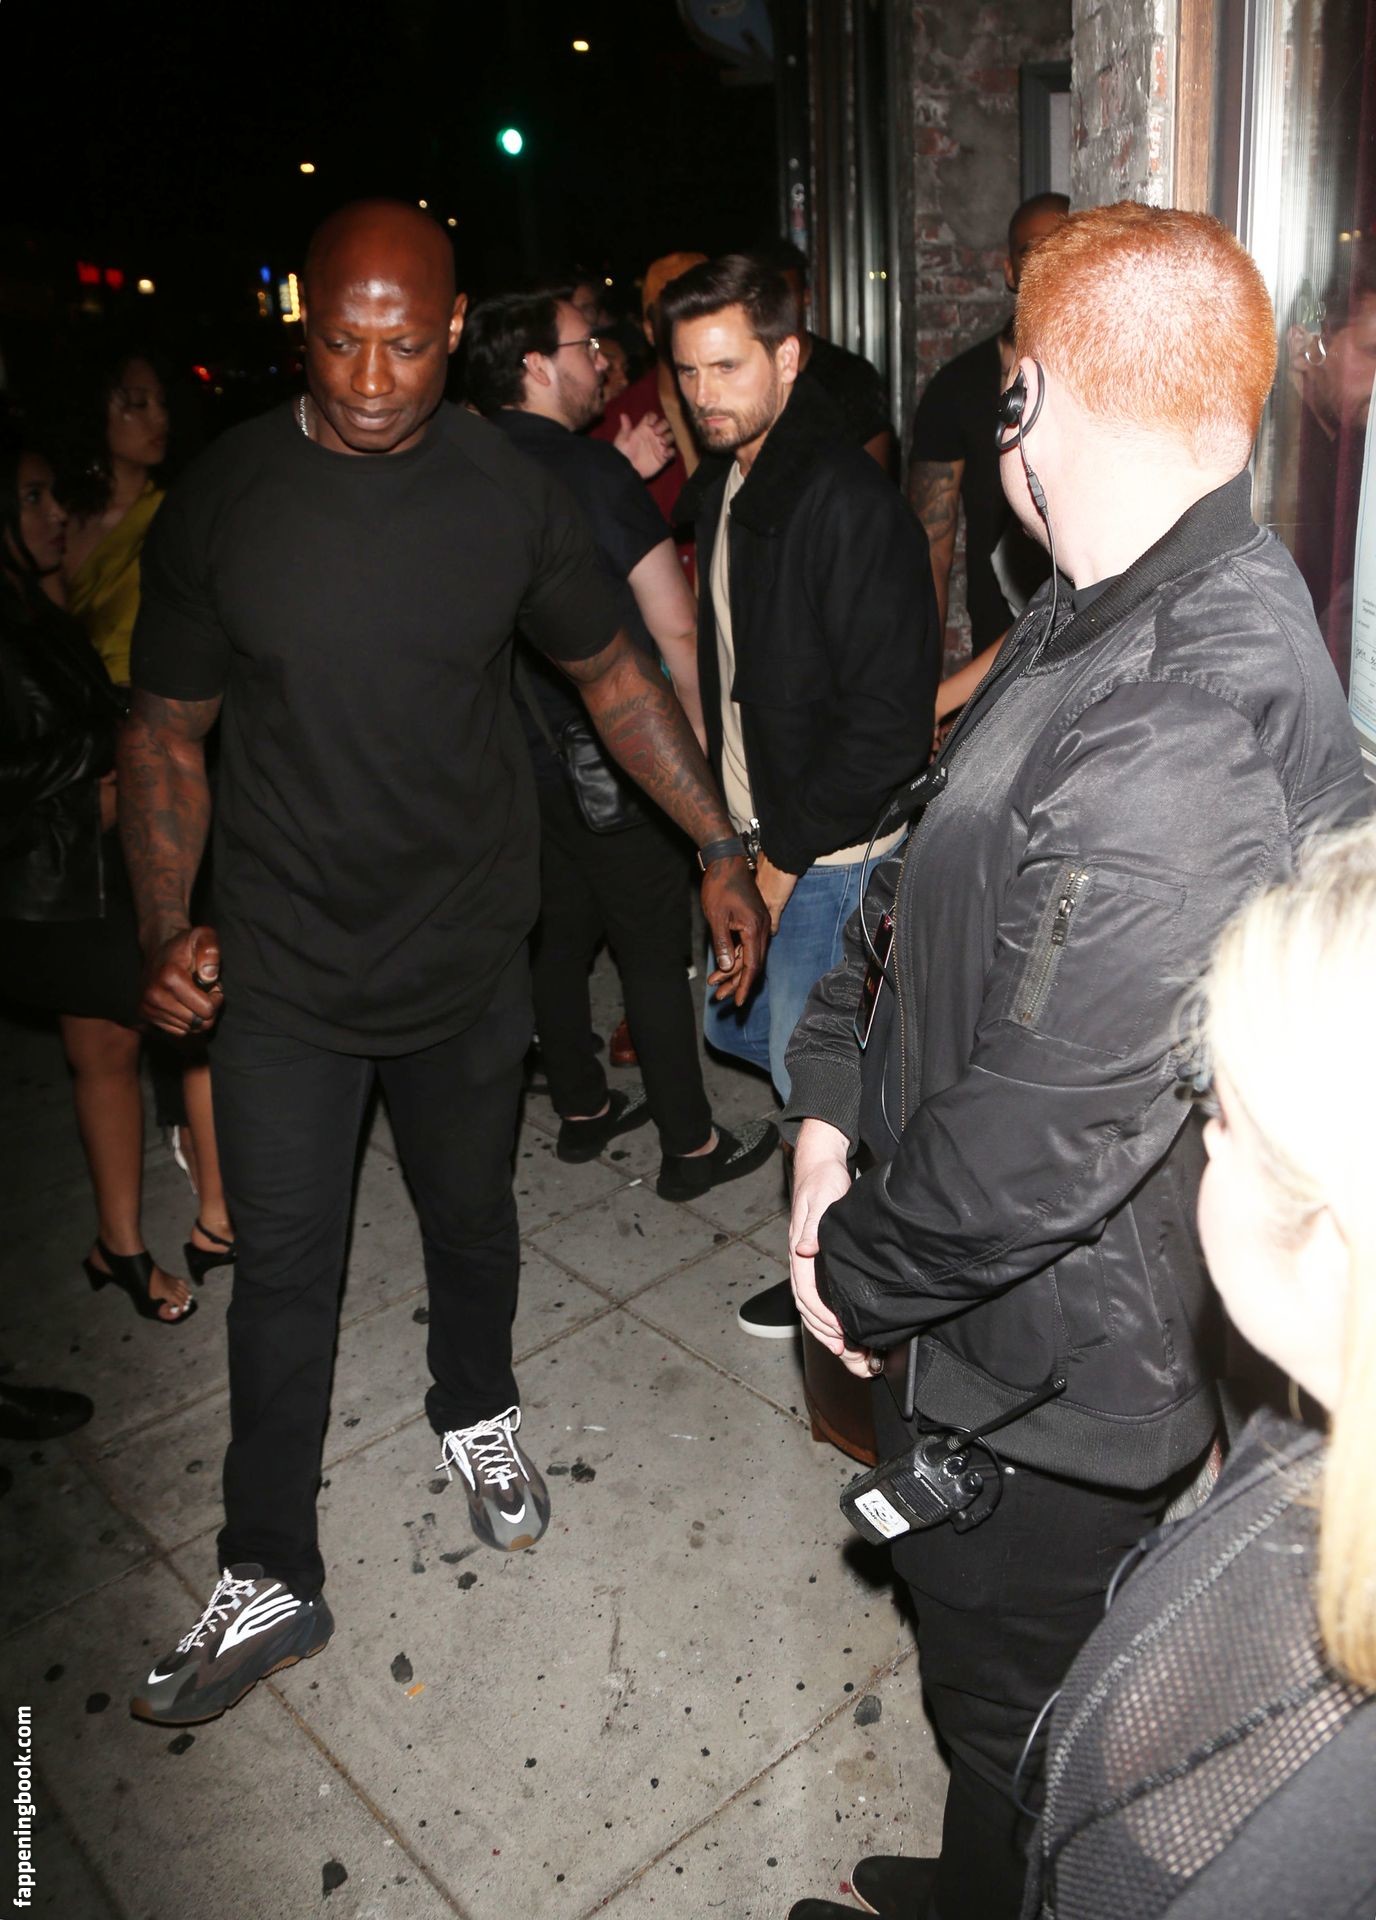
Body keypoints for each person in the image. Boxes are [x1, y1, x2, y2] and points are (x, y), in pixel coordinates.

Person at [781, 204, 1369, 1920]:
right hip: (992, 1318)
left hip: (1045, 1379)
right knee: (991, 1724)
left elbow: (1040, 1143)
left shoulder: (1181, 711)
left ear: (1024, 398)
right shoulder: (1112, 594)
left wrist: (851, 1271)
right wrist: (827, 1105)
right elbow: (925, 873)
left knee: (1017, 1722)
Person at [117, 200, 768, 1728]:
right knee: (283, 1271)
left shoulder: (504, 489)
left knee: (471, 1223)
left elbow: (614, 676)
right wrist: (159, 925)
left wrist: (718, 846)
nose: (369, 378)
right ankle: (268, 1569)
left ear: (453, 327)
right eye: (341, 342)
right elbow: (166, 733)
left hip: (469, 952)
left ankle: (476, 1410)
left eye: (406, 346)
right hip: (283, 964)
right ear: (305, 324)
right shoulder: (226, 501)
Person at [1022, 820, 1376, 1918]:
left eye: (1226, 1115)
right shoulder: (1314, 1421)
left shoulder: (1311, 1839)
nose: (1203, 1137)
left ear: (1337, 1235)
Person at [664, 254, 940, 1336]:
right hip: (764, 836)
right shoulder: (729, 486)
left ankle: (838, 1281)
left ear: (787, 357)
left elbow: (884, 728)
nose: (703, 394)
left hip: (831, 857)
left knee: (819, 1092)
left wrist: (774, 864)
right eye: (687, 370)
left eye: (727, 366)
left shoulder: (843, 503)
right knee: (760, 1046)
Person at [465, 287, 777, 1200]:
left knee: (557, 941)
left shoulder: (460, 464)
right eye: (583, 346)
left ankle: (582, 1106)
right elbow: (674, 628)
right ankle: (690, 1146)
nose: (601, 360)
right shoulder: (590, 471)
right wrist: (705, 772)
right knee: (648, 949)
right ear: (534, 365)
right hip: (617, 759)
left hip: (514, 765)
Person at [0, 425, 232, 1328]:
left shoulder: (34, 601)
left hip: (89, 875)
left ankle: (119, 1249)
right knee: (199, 1000)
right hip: (46, 891)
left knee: (103, 1054)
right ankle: (218, 1219)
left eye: (53, 493)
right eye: (32, 497)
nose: (56, 512)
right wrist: (100, 760)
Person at [908, 193, 1069, 727]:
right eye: (1032, 251)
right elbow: (930, 555)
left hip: (1084, 665)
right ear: (1009, 270)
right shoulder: (957, 388)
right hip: (992, 678)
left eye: (1063, 247)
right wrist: (928, 693)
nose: (1047, 264)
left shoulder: (1099, 388)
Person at [60, 351, 171, 686]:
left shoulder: (175, 513)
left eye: (162, 402)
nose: (159, 416)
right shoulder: (58, 519)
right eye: (138, 403)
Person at [750, 237, 894, 469]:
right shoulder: (742, 379)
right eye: (764, 297)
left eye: (784, 295)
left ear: (805, 296)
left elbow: (874, 475)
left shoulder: (850, 376)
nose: (774, 307)